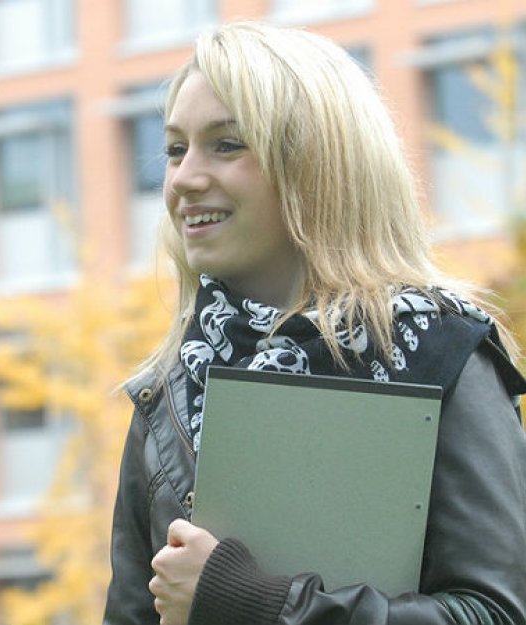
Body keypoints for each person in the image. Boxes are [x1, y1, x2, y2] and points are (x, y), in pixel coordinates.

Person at [102, 20, 526, 625]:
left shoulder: (444, 355)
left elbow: (496, 614)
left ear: (317, 165)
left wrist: (255, 602)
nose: (184, 179)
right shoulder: (168, 389)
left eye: (227, 144)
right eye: (175, 148)